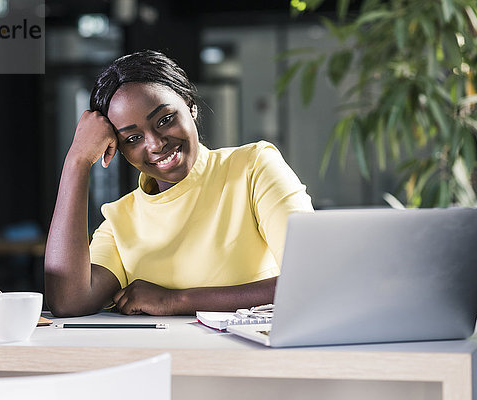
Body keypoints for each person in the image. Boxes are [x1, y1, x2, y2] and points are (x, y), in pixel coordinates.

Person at [44, 50, 313, 317]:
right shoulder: (120, 220)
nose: (156, 143)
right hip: (168, 359)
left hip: (252, 357)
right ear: (118, 149)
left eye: (164, 120)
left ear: (190, 105)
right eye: (133, 139)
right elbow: (69, 301)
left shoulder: (253, 167)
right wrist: (76, 161)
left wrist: (176, 300)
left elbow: (312, 279)